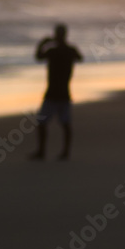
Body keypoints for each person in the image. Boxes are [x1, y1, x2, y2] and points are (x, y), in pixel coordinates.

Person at [30, 24, 83, 160]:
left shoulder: (52, 51)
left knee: (42, 122)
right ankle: (65, 152)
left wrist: (43, 43)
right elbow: (80, 58)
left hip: (52, 94)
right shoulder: (70, 50)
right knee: (65, 124)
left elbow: (38, 57)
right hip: (64, 93)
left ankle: (42, 151)